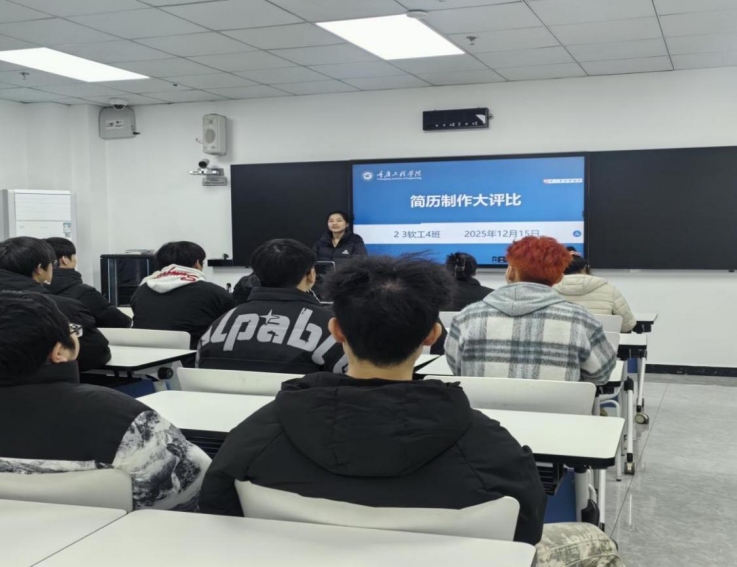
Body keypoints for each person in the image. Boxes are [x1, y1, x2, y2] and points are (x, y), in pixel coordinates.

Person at [199, 254, 546, 544]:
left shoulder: (257, 436)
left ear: (336, 330)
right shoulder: (493, 450)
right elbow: (525, 532)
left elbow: (218, 511)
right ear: (432, 335)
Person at [0, 292, 210, 511]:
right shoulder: (121, 419)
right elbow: (195, 490)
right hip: (117, 531)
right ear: (59, 352)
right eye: (73, 330)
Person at [446, 236, 616, 383]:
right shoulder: (581, 319)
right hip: (559, 411)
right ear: (559, 277)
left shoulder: (467, 317)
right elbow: (600, 375)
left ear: (510, 271)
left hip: (481, 409)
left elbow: (458, 369)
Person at [197, 239, 347, 373]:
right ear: (311, 274)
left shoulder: (219, 325)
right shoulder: (331, 326)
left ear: (256, 276)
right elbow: (349, 378)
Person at [0, 236, 111, 371]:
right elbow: (96, 353)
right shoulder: (63, 308)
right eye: (52, 264)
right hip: (41, 381)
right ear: (39, 269)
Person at [131, 241, 235, 349]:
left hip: (144, 356)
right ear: (197, 263)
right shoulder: (215, 293)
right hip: (193, 357)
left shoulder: (141, 291)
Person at [44, 237, 132, 329]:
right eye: (74, 255)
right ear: (65, 259)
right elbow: (120, 322)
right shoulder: (85, 293)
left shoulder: (35, 291)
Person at [554, 252, 636, 332]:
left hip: (562, 340)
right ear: (585, 268)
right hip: (602, 340)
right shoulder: (610, 290)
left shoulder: (551, 291)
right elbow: (628, 325)